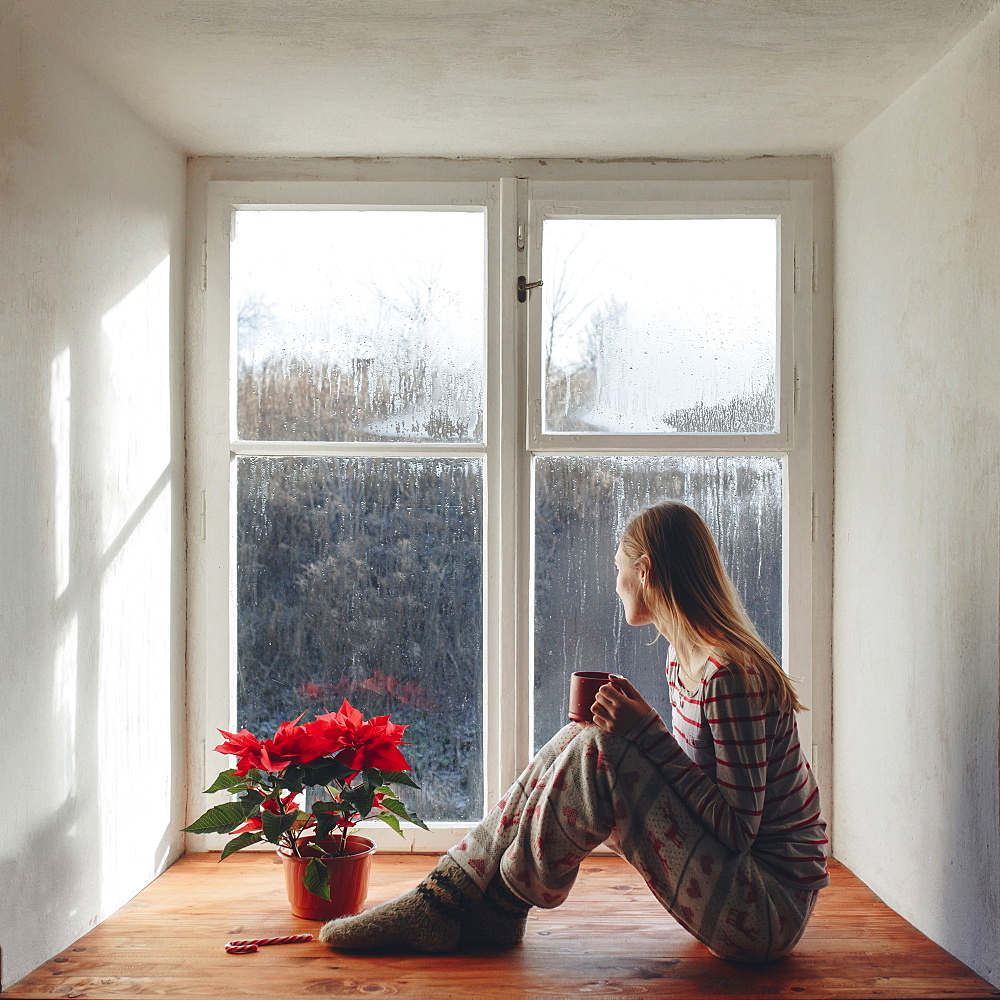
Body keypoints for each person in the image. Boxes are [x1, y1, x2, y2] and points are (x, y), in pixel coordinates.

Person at [319, 500, 829, 962]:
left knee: (603, 749)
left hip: (764, 910)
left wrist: (645, 733)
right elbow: (691, 789)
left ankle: (490, 905)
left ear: (645, 572)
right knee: (590, 734)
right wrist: (637, 729)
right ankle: (450, 892)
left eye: (617, 571)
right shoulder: (683, 660)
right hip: (734, 885)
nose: (615, 585)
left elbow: (737, 830)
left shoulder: (729, 675)